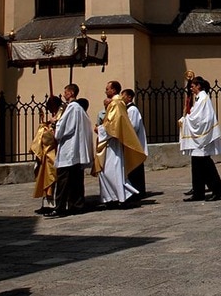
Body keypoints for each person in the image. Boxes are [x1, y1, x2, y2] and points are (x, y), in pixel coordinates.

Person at [94, 81, 147, 207]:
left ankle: (121, 196)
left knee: (111, 171)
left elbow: (114, 124)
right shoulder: (117, 103)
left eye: (107, 89)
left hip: (113, 143)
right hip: (111, 142)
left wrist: (100, 129)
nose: (105, 91)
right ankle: (113, 197)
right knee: (107, 171)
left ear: (113, 90)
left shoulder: (116, 103)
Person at [49, 84, 94, 217]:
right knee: (76, 180)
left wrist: (55, 124)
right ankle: (77, 205)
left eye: (65, 92)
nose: (64, 95)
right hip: (77, 151)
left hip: (69, 150)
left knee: (63, 179)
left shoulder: (72, 109)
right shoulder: (80, 110)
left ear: (71, 92)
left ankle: (60, 207)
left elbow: (65, 127)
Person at [179, 76, 221, 202]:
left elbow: (202, 118)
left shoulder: (204, 98)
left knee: (206, 166)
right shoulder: (199, 99)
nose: (191, 88)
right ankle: (198, 192)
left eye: (193, 86)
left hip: (202, 138)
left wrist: (186, 120)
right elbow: (193, 114)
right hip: (197, 140)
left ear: (199, 86)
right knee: (197, 167)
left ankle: (217, 189)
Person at [30, 95, 62, 214]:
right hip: (44, 154)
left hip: (52, 153)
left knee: (52, 178)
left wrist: (49, 128)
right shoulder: (51, 119)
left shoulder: (60, 118)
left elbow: (53, 136)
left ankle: (52, 204)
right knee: (43, 178)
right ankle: (46, 203)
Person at [121, 88, 148, 198]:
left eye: (123, 96)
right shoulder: (127, 109)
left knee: (136, 169)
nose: (121, 98)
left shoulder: (132, 110)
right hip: (131, 144)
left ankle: (138, 191)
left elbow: (133, 126)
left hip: (134, 145)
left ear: (129, 97)